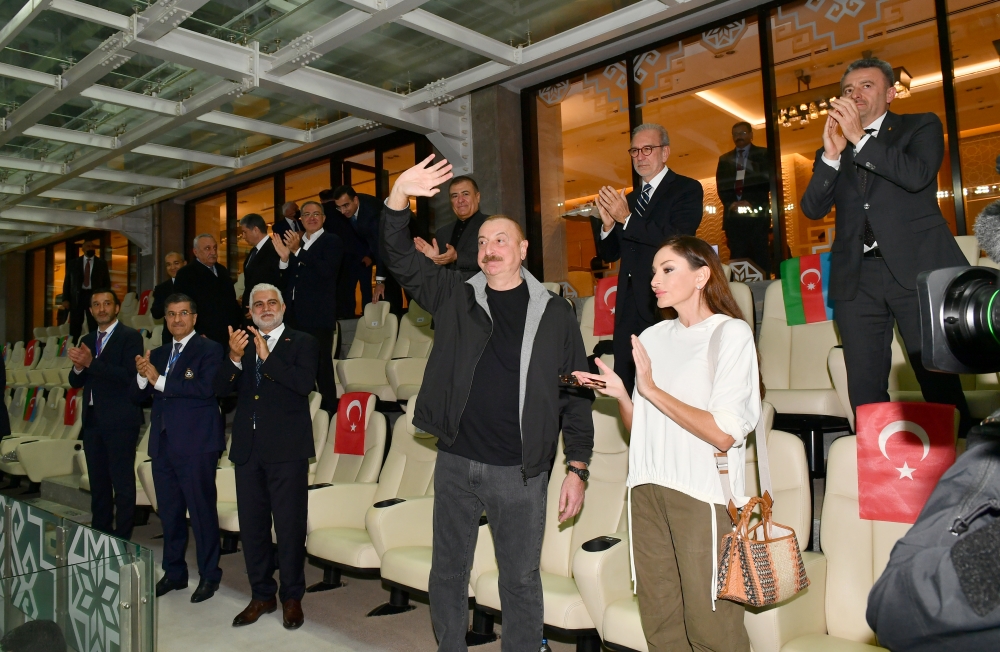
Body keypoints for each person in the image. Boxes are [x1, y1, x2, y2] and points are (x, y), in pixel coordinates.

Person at [383, 156, 595, 651]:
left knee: (519, 579)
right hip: (456, 461)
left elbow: (576, 395)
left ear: (522, 249)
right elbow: (399, 258)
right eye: (481, 242)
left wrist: (578, 468)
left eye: (500, 240)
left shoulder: (556, 314)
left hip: (519, 471)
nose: (489, 248)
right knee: (447, 571)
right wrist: (398, 197)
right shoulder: (454, 296)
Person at [575, 236, 760, 652]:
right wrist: (623, 396)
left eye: (668, 269)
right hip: (646, 489)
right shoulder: (653, 336)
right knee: (660, 624)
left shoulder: (730, 333)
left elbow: (724, 432)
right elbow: (640, 428)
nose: (654, 280)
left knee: (712, 630)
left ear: (702, 276)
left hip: (701, 494)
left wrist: (653, 391)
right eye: (653, 271)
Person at [800, 57, 972, 432]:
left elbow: (917, 176)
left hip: (915, 271)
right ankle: (874, 462)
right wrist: (830, 155)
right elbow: (812, 209)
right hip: (856, 277)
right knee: (863, 386)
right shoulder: (836, 147)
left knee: (937, 379)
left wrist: (860, 139)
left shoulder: (920, 125)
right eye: (848, 89)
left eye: (866, 86)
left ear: (891, 93)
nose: (855, 94)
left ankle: (962, 456)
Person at [214, 284, 318, 631]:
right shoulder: (240, 344)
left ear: (283, 308)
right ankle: (261, 594)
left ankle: (291, 597)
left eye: (272, 302)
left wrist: (267, 357)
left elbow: (303, 384)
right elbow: (219, 389)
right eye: (258, 304)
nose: (266, 308)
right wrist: (232, 358)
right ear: (250, 311)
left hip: (287, 451)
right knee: (253, 527)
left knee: (289, 527)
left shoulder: (302, 341)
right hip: (247, 449)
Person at [595, 123, 704, 395]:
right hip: (628, 306)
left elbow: (678, 238)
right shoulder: (629, 200)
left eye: (647, 149)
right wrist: (608, 225)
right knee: (627, 384)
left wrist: (626, 219)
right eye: (634, 151)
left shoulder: (687, 189)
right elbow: (610, 254)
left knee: (664, 383)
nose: (640, 156)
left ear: (665, 152)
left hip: (664, 303)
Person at [135, 293, 225, 604]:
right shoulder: (159, 353)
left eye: (184, 313)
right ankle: (174, 573)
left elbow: (205, 389)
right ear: (165, 318)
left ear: (194, 318)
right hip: (163, 443)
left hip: (197, 444)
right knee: (170, 513)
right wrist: (142, 377)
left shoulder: (210, 349)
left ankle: (209, 575)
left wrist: (157, 379)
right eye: (172, 314)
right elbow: (140, 396)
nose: (177, 319)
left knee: (201, 512)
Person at [67, 289, 145, 540]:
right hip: (92, 420)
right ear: (90, 311)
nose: (102, 309)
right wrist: (78, 367)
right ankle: (101, 535)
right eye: (97, 305)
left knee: (122, 484)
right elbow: (74, 381)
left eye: (107, 304)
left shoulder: (130, 337)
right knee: (98, 484)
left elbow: (129, 376)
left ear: (116, 308)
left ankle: (122, 538)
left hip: (121, 420)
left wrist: (91, 364)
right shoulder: (87, 339)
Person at [272, 201, 343, 413]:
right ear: (300, 219)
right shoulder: (298, 242)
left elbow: (326, 271)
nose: (312, 218)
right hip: (293, 316)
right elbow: (287, 281)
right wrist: (284, 260)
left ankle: (329, 413)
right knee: (296, 367)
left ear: (324, 218)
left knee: (321, 367)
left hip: (317, 316)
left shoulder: (331, 241)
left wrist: (298, 251)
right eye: (307, 214)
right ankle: (303, 412)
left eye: (316, 214)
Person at [331, 185, 405, 317]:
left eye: (346, 205)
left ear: (355, 200)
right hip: (387, 252)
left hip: (402, 250)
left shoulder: (372, 214)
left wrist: (380, 281)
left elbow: (380, 247)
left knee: (397, 294)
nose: (342, 211)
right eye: (339, 207)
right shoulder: (354, 208)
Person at [716, 121, 772, 276]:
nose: (738, 137)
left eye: (742, 133)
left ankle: (764, 288)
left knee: (760, 256)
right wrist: (731, 203)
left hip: (757, 217)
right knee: (738, 258)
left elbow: (767, 182)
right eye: (735, 134)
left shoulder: (763, 154)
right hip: (734, 219)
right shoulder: (725, 159)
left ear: (751, 135)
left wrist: (751, 202)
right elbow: (721, 186)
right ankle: (740, 289)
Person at [172, 234, 241, 350]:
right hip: (204, 336)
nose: (213, 252)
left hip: (229, 335)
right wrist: (196, 332)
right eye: (207, 248)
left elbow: (231, 301)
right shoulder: (186, 274)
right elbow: (182, 307)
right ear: (196, 252)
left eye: (215, 248)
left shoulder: (222, 270)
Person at [414, 175, 489, 279]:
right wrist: (433, 259)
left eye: (465, 194)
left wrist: (457, 257)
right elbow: (438, 273)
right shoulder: (442, 233)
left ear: (477, 197)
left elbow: (493, 259)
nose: (460, 200)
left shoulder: (491, 224)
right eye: (455, 196)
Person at [61, 240, 111, 340]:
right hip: (77, 296)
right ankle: (74, 344)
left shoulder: (101, 263)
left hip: (94, 296)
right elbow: (67, 282)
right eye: (88, 246)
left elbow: (106, 282)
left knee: (93, 322)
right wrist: (65, 299)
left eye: (92, 246)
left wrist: (106, 298)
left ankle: (94, 344)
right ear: (83, 249)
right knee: (75, 323)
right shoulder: (73, 263)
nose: (90, 248)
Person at [238, 214, 284, 313]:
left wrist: (258, 306)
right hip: (251, 308)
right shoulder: (253, 251)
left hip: (264, 310)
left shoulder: (274, 249)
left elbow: (275, 282)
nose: (243, 236)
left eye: (245, 232)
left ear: (255, 230)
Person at [150, 251, 186, 346]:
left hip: (193, 335)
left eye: (176, 263)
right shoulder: (161, 288)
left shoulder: (195, 285)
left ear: (184, 263)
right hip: (170, 337)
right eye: (168, 265)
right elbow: (156, 313)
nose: (172, 267)